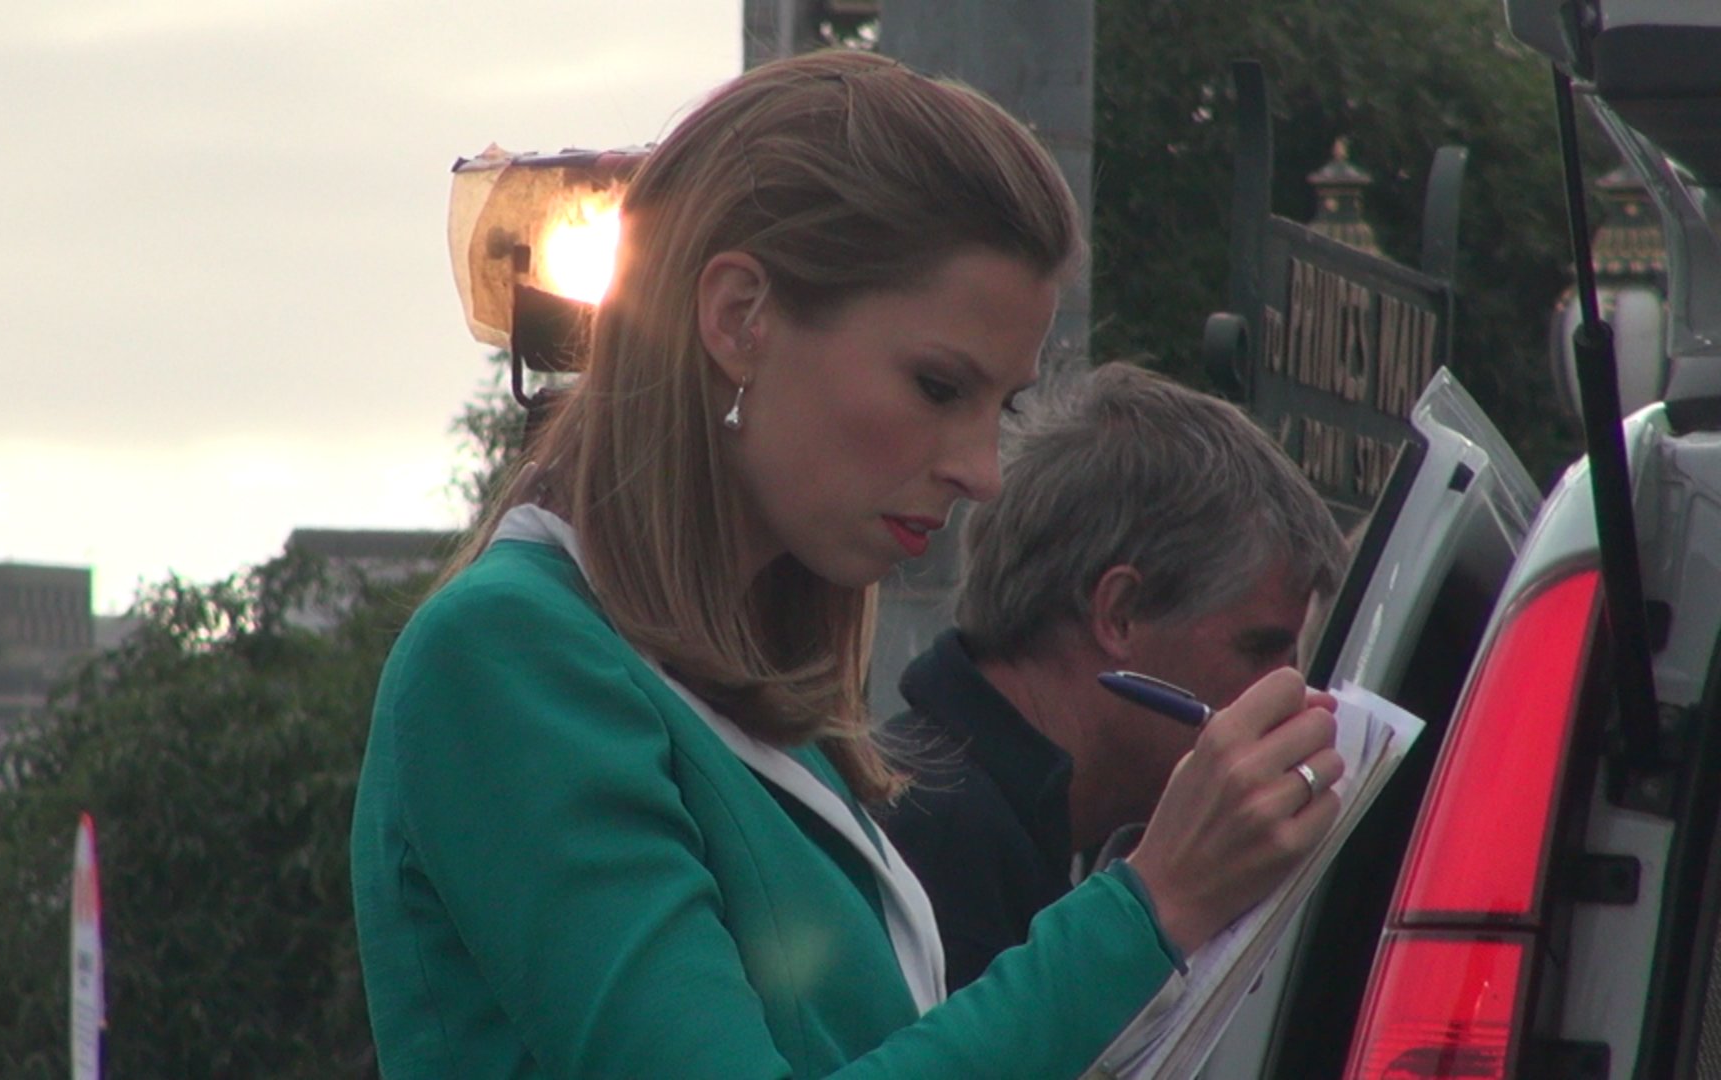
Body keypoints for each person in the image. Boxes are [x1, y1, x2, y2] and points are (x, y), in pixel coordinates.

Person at [349, 50, 1344, 1079]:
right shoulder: (508, 651)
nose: (981, 472)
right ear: (738, 317)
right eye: (937, 386)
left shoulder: (747, 697)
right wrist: (1150, 910)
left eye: (1000, 406)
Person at [878, 362, 1349, 992]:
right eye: (1260, 650)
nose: (1293, 694)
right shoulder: (931, 840)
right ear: (1120, 613)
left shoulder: (1003, 827)